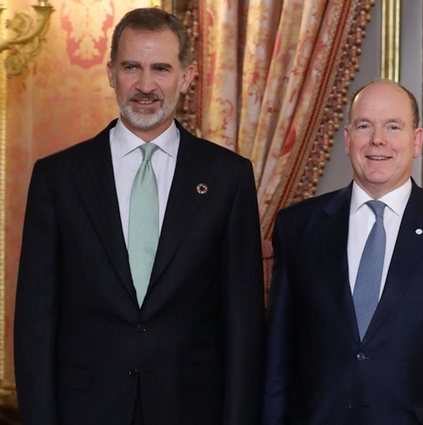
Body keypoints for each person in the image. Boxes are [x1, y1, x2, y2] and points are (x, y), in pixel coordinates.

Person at [14, 8, 265, 425]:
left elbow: (243, 326)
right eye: (132, 67)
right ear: (111, 72)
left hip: (191, 409)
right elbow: (35, 323)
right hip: (85, 411)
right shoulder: (58, 178)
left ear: (187, 77)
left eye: (161, 68)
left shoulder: (228, 178)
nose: (146, 85)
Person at [263, 79, 423, 425]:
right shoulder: (298, 227)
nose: (377, 139)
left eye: (393, 126)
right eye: (365, 126)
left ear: (417, 141)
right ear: (348, 140)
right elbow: (277, 356)